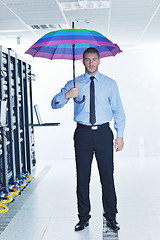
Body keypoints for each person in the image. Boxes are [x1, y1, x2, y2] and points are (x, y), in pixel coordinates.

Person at [51, 47, 125, 232]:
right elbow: (54, 104)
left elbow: (118, 111)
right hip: (83, 134)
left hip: (103, 133)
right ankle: (83, 218)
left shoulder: (110, 84)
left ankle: (111, 217)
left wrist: (120, 135)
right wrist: (67, 95)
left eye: (94, 59)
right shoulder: (74, 83)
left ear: (99, 61)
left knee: (107, 176)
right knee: (83, 178)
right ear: (82, 61)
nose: (91, 63)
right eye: (87, 59)